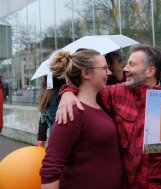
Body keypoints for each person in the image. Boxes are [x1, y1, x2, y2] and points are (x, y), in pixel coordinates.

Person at [56, 45, 161, 189]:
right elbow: (87, 87)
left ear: (150, 71)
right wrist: (67, 92)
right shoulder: (116, 93)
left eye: (132, 64)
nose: (125, 69)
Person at [40, 49, 123, 189]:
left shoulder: (101, 104)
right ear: (86, 73)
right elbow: (51, 168)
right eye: (104, 68)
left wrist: (67, 91)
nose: (109, 72)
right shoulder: (71, 112)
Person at [37, 76, 65, 147]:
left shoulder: (46, 94)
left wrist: (41, 137)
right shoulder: (62, 93)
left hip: (53, 138)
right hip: (62, 140)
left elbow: (43, 116)